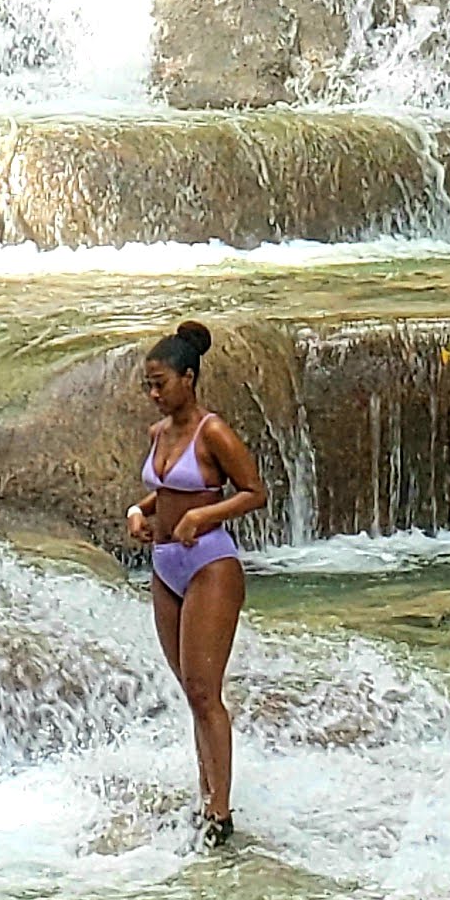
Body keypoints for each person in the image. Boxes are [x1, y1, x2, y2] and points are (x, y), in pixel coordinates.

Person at [127, 319, 265, 845]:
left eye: (160, 382)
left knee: (207, 693)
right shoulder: (159, 435)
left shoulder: (214, 431)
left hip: (210, 563)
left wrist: (202, 519)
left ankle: (221, 815)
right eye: (148, 385)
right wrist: (138, 512)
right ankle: (206, 798)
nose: (154, 393)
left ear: (189, 378)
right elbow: (163, 494)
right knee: (192, 693)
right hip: (165, 566)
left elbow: (254, 492)